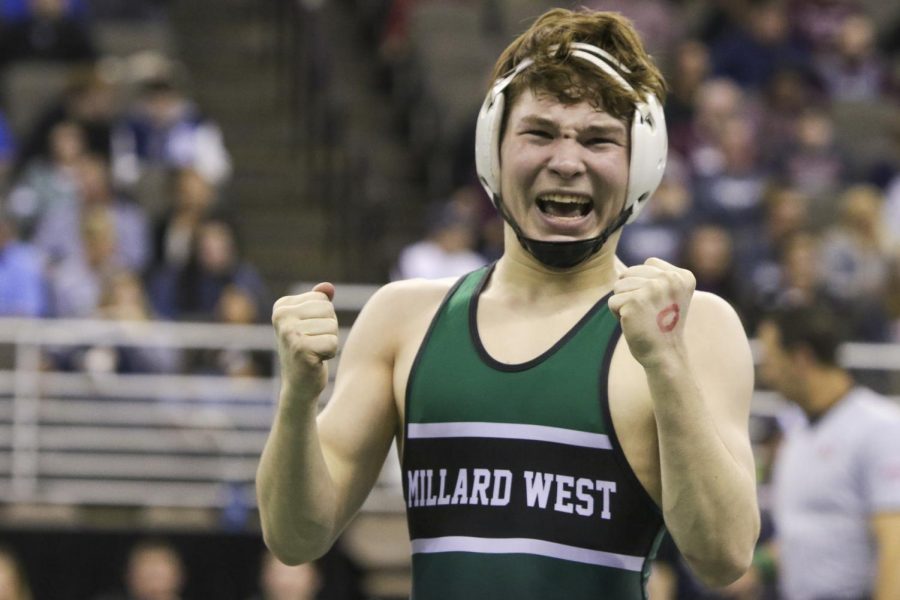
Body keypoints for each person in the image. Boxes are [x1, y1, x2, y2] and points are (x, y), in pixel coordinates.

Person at [258, 8, 760, 599]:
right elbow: (296, 537)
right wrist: (296, 398)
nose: (567, 162)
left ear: (642, 165)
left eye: (599, 139)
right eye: (540, 133)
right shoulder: (404, 321)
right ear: (492, 150)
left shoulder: (694, 328)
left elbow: (724, 556)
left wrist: (667, 363)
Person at [755, 305, 900, 599]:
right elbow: (813, 531)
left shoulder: (880, 428)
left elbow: (895, 545)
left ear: (801, 358)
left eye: (772, 360)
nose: (767, 375)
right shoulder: (796, 437)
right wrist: (757, 566)